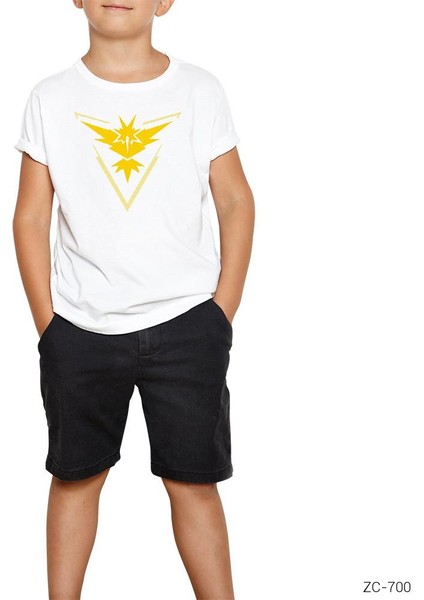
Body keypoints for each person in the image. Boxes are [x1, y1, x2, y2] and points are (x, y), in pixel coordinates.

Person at [12, 0, 255, 598]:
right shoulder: (50, 97)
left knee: (194, 481)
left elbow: (234, 199)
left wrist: (220, 313)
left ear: (165, 2)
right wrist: (50, 327)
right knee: (75, 477)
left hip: (187, 324)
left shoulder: (199, 90)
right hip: (80, 330)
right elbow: (31, 216)